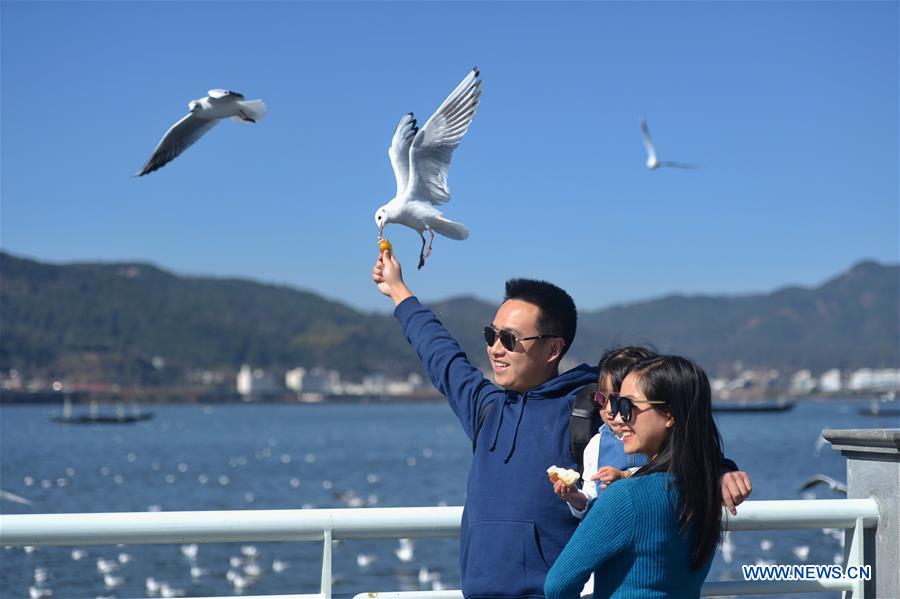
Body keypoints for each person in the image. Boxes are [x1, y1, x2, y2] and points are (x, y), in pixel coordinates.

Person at [372, 251, 751, 598]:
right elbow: (441, 354)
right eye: (491, 335)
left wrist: (720, 470)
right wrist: (398, 290)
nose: (494, 348)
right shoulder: (484, 407)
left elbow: (668, 415)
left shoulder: (589, 406)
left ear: (553, 349)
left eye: (508, 338)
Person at [544, 355, 730, 599]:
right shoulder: (706, 492)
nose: (620, 418)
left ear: (669, 414)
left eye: (628, 406)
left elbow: (558, 586)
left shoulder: (627, 497)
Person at [552, 346, 657, 517]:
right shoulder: (596, 445)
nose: (609, 409)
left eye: (620, 401)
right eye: (602, 399)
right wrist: (575, 498)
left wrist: (625, 476)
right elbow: (591, 497)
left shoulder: (658, 440)